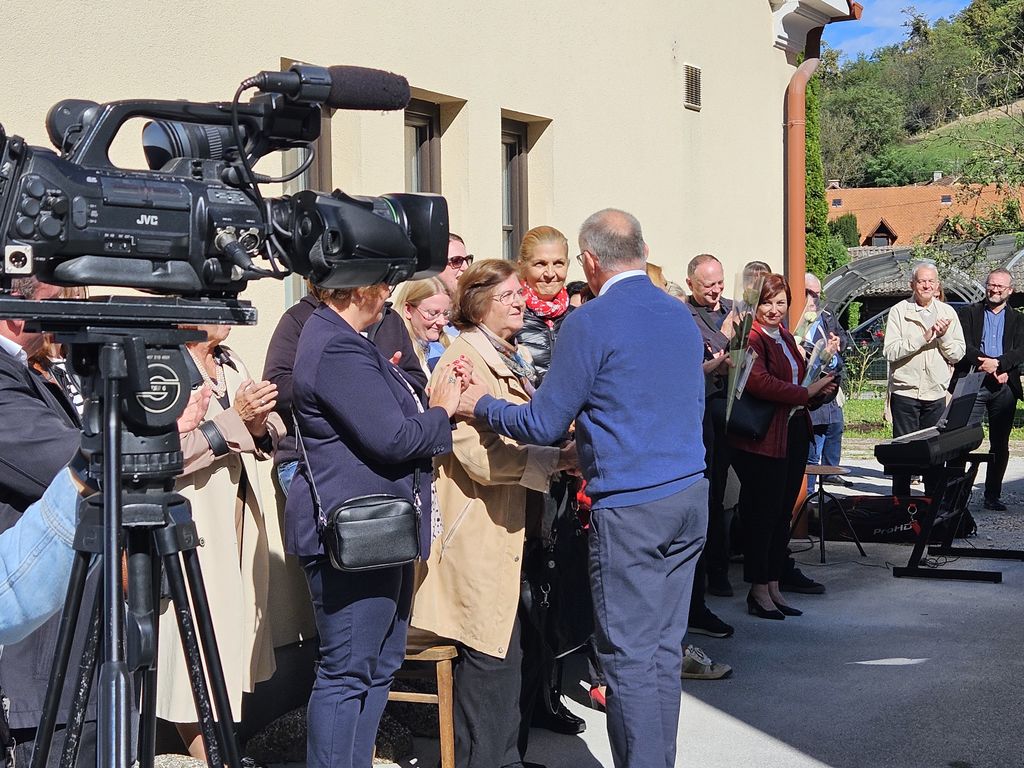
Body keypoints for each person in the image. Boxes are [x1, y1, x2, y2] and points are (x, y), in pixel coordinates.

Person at [458, 208, 708, 768]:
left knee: (628, 659)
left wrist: (482, 405)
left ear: (589, 262)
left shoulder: (590, 321)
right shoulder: (677, 312)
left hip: (633, 506)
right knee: (661, 653)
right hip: (689, 495)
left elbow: (543, 422)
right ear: (642, 251)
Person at [285, 283, 465, 768]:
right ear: (357, 287)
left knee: (380, 665)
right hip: (358, 533)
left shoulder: (347, 340)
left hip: (382, 531)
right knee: (347, 671)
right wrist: (441, 409)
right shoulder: (335, 344)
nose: (388, 292)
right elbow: (393, 438)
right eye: (382, 282)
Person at [412, 260, 575, 768]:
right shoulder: (462, 362)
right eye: (508, 295)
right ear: (479, 304)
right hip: (479, 532)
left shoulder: (509, 355)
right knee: (489, 659)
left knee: (517, 655)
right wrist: (552, 460)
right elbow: (479, 458)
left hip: (516, 528)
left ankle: (508, 759)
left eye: (519, 293)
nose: (521, 301)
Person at [156, 325, 283, 760]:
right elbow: (163, 453)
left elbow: (268, 428)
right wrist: (235, 423)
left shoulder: (229, 360)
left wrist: (259, 424)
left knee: (227, 643)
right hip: (192, 523)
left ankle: (222, 751)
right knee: (191, 649)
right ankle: (209, 757)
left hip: (238, 520)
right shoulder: (166, 363)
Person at [0, 388, 211, 647]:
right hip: (44, 639)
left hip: (75, 598)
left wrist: (137, 433)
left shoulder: (47, 377)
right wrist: (114, 444)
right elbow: (8, 598)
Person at [0, 277, 92, 768]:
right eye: (54, 302)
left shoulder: (32, 371)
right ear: (17, 310)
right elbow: (65, 463)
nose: (63, 316)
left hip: (69, 642)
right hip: (41, 660)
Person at [729, 274, 837, 621]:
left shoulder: (787, 336)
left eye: (780, 303)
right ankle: (758, 588)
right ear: (755, 304)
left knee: (781, 515)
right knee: (763, 514)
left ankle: (773, 584)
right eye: (767, 303)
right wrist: (806, 392)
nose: (774, 310)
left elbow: (799, 379)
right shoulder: (751, 337)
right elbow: (760, 383)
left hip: (793, 431)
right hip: (764, 439)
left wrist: (819, 389)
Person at [263, 284, 425, 495]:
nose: (387, 289)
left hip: (381, 452)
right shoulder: (301, 318)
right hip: (309, 457)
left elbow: (416, 383)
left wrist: (386, 378)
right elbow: (275, 385)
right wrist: (344, 380)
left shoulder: (389, 319)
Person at [883, 262, 966, 497]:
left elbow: (958, 354)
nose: (926, 286)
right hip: (905, 392)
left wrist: (943, 337)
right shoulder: (899, 311)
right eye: (921, 281)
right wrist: (924, 337)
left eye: (931, 281)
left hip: (935, 393)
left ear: (938, 286)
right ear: (913, 285)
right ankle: (900, 505)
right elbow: (890, 351)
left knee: (934, 454)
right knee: (902, 455)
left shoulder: (948, 313)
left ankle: (932, 505)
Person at [685, 253, 736, 603]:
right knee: (712, 494)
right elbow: (699, 360)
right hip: (706, 414)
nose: (716, 291)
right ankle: (713, 574)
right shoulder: (685, 314)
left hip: (740, 411)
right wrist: (726, 333)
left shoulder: (734, 308)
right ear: (690, 283)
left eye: (720, 283)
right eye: (708, 285)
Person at [951, 268, 1024, 510]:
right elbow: (964, 346)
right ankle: (955, 497)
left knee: (1000, 443)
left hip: (1004, 384)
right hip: (973, 381)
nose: (994, 290)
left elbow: (1020, 350)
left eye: (1000, 286)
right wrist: (986, 363)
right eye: (991, 285)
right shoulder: (968, 313)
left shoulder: (1019, 319)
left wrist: (1000, 364)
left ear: (1010, 290)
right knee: (961, 440)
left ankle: (992, 495)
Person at [803, 273, 850, 494]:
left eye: (817, 294)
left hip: (830, 387)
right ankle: (806, 497)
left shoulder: (826, 314)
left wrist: (838, 344)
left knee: (832, 431)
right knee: (811, 451)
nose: (814, 299)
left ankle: (820, 485)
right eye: (809, 293)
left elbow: (843, 337)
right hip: (810, 391)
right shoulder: (794, 319)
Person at [516, 226, 573, 385]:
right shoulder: (511, 316)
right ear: (522, 267)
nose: (550, 273)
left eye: (558, 263)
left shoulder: (580, 318)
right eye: (540, 264)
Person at [426, 233, 474, 369]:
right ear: (435, 267)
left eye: (467, 260)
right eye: (456, 261)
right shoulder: (420, 317)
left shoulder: (473, 314)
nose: (465, 267)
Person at [394, 277, 452, 376]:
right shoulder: (397, 353)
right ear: (408, 309)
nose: (442, 322)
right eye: (433, 313)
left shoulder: (447, 345)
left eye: (446, 313)